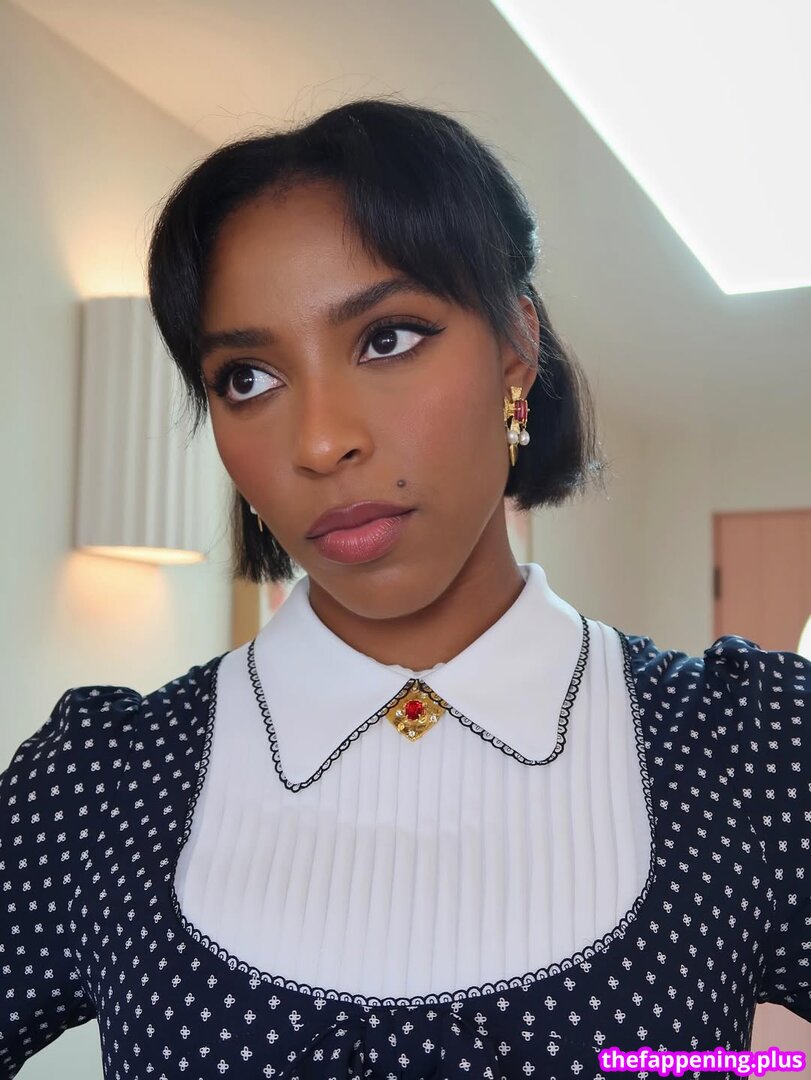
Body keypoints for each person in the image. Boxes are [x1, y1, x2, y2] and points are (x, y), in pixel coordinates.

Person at [1, 97, 808, 1080]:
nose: (319, 441)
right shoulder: (100, 783)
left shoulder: (755, 746)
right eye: (247, 378)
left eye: (387, 338)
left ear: (516, 351)